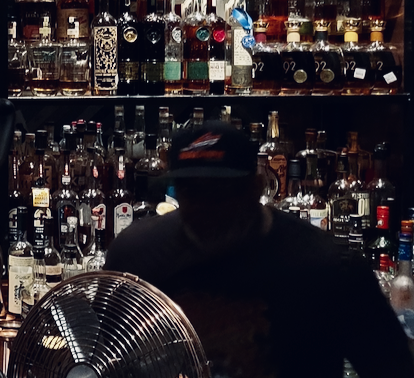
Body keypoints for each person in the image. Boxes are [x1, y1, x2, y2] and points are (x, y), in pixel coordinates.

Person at [105, 121, 413, 378]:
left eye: (221, 193)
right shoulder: (135, 257)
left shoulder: (329, 268)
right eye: (192, 192)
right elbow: (104, 361)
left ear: (256, 187)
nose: (206, 208)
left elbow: (391, 369)